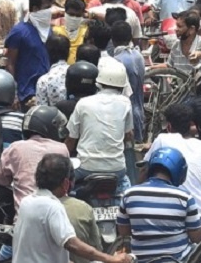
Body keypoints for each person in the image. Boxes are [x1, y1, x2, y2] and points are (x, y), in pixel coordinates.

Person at [12, 154, 131, 263]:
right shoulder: (53, 206)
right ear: (65, 183)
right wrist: (111, 259)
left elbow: (42, 249)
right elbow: (72, 244)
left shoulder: (26, 202)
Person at [117, 147, 201, 261]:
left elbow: (124, 232)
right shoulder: (185, 197)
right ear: (180, 171)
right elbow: (196, 238)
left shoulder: (128, 194)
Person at [65, 58, 133, 194]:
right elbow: (129, 136)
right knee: (127, 184)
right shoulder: (126, 103)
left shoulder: (83, 103)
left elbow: (71, 139)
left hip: (85, 167)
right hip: (117, 169)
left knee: (67, 189)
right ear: (122, 86)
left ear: (98, 83)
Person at [144, 104, 201, 211]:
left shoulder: (163, 139)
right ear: (190, 125)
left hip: (171, 211)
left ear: (169, 126)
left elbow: (144, 170)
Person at [6, 0, 53, 108]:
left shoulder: (49, 32)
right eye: (46, 8)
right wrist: (13, 92)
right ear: (35, 9)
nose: (50, 11)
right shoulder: (19, 31)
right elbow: (10, 62)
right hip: (26, 93)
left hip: (47, 91)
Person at [110, 21, 145, 142]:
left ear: (113, 40)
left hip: (126, 115)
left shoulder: (117, 61)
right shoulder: (138, 56)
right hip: (139, 111)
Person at [36, 35, 71, 107]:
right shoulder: (77, 74)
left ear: (48, 53)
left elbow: (43, 111)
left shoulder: (43, 81)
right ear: (68, 52)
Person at [51, 0, 87, 65]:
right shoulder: (55, 32)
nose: (74, 18)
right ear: (65, 13)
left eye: (78, 15)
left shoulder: (86, 32)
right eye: (71, 14)